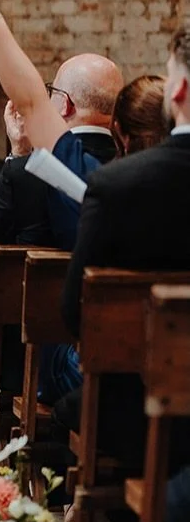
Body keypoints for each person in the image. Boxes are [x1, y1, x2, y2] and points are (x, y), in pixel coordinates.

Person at [57, 28, 190, 473]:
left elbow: (75, 311)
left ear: (179, 92)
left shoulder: (119, 184)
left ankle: (120, 518)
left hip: (138, 403)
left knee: (71, 409)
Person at [0, 0, 123, 249]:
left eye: (52, 91)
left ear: (65, 105)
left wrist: (18, 154)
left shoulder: (30, 170)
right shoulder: (130, 167)